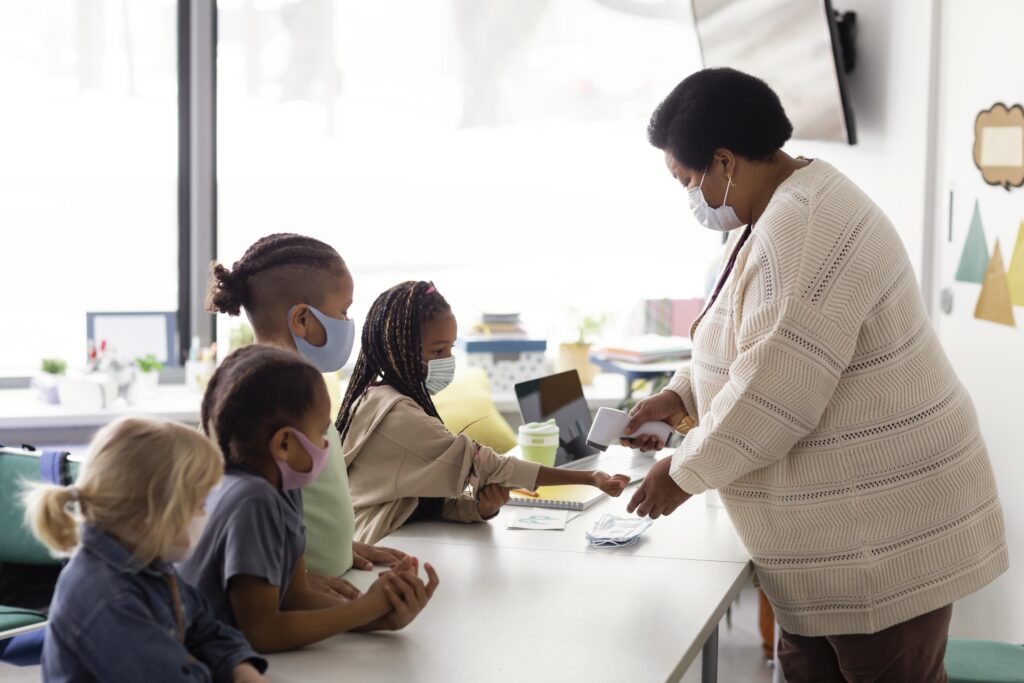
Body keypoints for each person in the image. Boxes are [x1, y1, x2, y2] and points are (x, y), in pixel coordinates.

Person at [624, 67, 1007, 682]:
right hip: (833, 541)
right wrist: (678, 393)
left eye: (689, 179)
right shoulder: (767, 213)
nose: (690, 197)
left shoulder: (802, 227)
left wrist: (685, 473)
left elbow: (772, 396)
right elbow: (734, 339)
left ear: (725, 162)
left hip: (882, 537)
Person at [178, 345, 438, 653]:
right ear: (284, 443)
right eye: (320, 431)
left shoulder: (281, 488)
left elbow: (294, 595)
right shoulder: (253, 500)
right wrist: (366, 608)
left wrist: (380, 616)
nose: (327, 444)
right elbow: (263, 632)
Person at [337, 280, 631, 544]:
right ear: (397, 349)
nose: (448, 360)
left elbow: (416, 501)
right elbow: (491, 465)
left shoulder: (381, 397)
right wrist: (591, 478)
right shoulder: (396, 415)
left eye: (451, 349)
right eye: (438, 351)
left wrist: (477, 508)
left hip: (407, 539)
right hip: (382, 548)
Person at [206, 232, 406, 594]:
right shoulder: (260, 396)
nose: (348, 322)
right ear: (302, 319)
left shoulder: (297, 389)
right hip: (291, 597)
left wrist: (341, 547)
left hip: (331, 579)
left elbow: (312, 500)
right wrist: (294, 578)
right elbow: (249, 516)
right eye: (343, 311)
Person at [22, 416, 267, 682]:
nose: (204, 514)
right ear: (154, 512)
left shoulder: (148, 562)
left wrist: (241, 670)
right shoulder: (105, 597)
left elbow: (205, 630)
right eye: (199, 504)